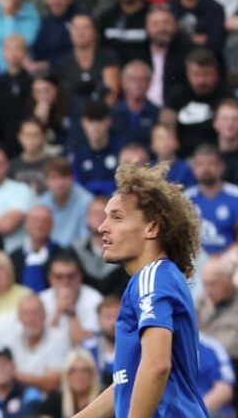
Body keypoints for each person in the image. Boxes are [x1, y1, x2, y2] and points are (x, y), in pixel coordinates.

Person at [71, 163, 209, 418]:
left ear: (151, 228)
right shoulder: (156, 278)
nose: (102, 227)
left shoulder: (153, 278)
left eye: (117, 217)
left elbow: (157, 365)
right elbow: (129, 381)